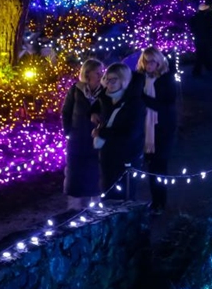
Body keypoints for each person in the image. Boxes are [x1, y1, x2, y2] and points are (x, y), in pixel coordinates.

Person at [93, 63, 145, 200]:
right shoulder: (105, 97)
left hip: (127, 156)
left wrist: (102, 133)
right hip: (107, 154)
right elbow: (96, 108)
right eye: (107, 79)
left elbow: (131, 133)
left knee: (124, 195)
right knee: (107, 191)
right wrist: (92, 113)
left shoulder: (135, 103)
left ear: (124, 80)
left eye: (114, 80)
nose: (109, 83)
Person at [136, 47, 177, 215]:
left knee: (159, 166)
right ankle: (154, 201)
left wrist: (144, 99)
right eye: (146, 61)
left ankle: (160, 202)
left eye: (152, 61)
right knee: (150, 167)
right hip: (144, 127)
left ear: (159, 62)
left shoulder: (166, 79)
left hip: (162, 128)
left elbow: (165, 106)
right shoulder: (139, 79)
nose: (149, 64)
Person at [62, 59, 104, 210]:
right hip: (77, 138)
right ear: (87, 73)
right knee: (75, 171)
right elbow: (66, 112)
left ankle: (95, 204)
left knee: (95, 171)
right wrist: (69, 131)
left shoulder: (105, 91)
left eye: (101, 72)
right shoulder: (76, 90)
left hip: (96, 138)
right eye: (97, 72)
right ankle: (74, 206)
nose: (100, 75)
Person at [190, 0, 212, 76]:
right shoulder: (207, 16)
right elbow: (210, 27)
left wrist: (194, 31)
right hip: (205, 38)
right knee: (203, 54)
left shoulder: (197, 16)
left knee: (201, 54)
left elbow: (191, 24)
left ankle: (205, 69)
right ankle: (199, 70)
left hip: (198, 37)